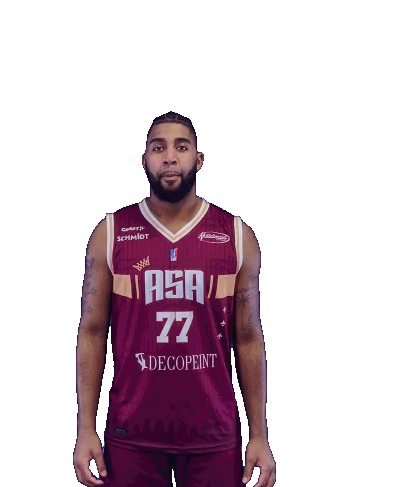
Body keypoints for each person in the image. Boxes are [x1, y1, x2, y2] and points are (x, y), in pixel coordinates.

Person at [73, 112, 276, 487]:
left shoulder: (236, 234)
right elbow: (92, 331)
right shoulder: (111, 232)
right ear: (144, 160)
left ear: (199, 159)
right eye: (158, 148)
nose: (169, 157)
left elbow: (248, 338)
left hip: (213, 434)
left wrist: (259, 435)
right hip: (131, 434)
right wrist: (85, 428)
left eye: (181, 147)